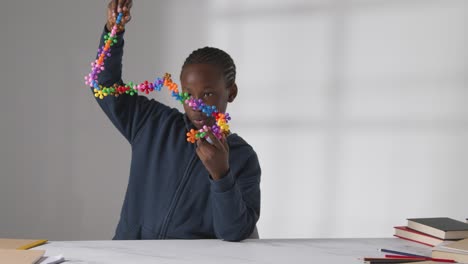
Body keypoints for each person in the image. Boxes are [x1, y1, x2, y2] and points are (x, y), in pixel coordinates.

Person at [90, 0, 261, 241]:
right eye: (188, 94)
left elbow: (234, 233)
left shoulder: (243, 157)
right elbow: (103, 87)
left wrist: (221, 175)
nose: (195, 104)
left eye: (208, 94)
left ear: (230, 92)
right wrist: (113, 32)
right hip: (130, 256)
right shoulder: (152, 123)